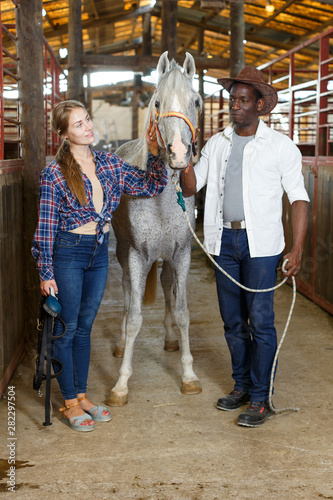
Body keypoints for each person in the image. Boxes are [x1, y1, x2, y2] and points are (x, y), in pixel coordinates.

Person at [180, 66, 309, 427]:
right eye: (231, 100)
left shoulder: (280, 146)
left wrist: (296, 249)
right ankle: (240, 386)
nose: (234, 106)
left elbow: (299, 199)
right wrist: (182, 157)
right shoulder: (217, 143)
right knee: (233, 322)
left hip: (262, 245)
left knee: (261, 322)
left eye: (241, 100)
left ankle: (260, 398)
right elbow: (191, 187)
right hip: (223, 241)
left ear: (259, 105)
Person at [32, 100, 167, 432]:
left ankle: (80, 394)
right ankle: (68, 403)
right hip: (67, 251)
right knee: (66, 327)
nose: (88, 127)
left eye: (88, 119)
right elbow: (45, 226)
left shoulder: (110, 164)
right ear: (63, 133)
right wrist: (46, 271)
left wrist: (152, 152)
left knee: (83, 328)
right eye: (78, 124)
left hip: (97, 252)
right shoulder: (54, 173)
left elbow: (151, 186)